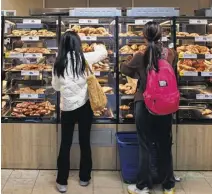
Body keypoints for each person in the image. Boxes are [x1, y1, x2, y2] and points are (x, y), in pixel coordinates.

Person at [120, 22, 176, 194]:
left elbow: (125, 70)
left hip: (144, 103)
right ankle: (168, 185)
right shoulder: (171, 53)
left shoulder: (140, 55)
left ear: (143, 36)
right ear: (161, 36)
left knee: (144, 144)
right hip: (165, 103)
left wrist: (128, 60)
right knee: (164, 144)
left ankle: (143, 185)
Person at [52, 31, 107, 193]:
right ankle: (84, 178)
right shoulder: (84, 59)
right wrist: (97, 44)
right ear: (77, 44)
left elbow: (55, 87)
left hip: (67, 107)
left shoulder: (58, 62)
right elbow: (103, 53)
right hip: (84, 106)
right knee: (84, 142)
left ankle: (62, 181)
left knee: (65, 143)